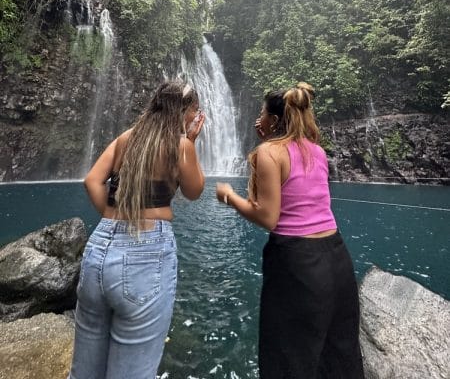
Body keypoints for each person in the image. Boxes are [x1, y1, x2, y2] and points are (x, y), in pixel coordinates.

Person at [216, 82, 364, 379]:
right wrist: (268, 144)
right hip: (337, 260)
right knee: (339, 353)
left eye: (262, 112)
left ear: (272, 119)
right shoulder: (318, 151)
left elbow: (267, 216)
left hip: (298, 265)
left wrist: (230, 197)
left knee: (287, 356)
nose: (258, 117)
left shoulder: (269, 152)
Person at [69, 80, 205, 379]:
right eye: (194, 111)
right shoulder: (180, 145)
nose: (196, 117)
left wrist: (111, 214)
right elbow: (194, 191)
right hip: (145, 254)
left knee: (84, 372)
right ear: (183, 112)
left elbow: (92, 181)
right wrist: (192, 142)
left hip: (99, 249)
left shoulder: (125, 138)